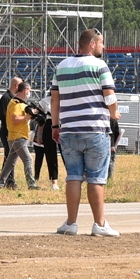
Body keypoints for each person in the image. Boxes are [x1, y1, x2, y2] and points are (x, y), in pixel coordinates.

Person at [51, 26, 119, 237]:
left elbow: (55, 99)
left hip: (69, 129)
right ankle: (99, 224)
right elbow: (109, 95)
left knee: (73, 176)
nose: (103, 46)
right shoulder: (100, 65)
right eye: (101, 43)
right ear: (92, 44)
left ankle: (71, 223)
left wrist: (55, 125)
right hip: (95, 128)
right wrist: (114, 113)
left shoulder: (61, 66)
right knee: (96, 178)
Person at [0, 79, 34, 190]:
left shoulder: (19, 103)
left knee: (10, 162)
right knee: (28, 160)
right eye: (29, 90)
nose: (29, 93)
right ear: (25, 90)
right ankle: (31, 184)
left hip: (15, 136)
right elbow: (15, 119)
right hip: (17, 136)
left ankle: (0, 183)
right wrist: (27, 117)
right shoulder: (15, 102)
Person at [0, 77, 24, 188]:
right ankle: (9, 181)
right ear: (16, 85)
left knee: (10, 157)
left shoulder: (13, 98)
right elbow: (4, 117)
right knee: (9, 157)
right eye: (20, 86)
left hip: (11, 131)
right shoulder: (6, 98)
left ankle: (4, 181)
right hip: (7, 131)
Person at [27, 94, 59, 189]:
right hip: (49, 124)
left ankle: (73, 179)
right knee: (51, 155)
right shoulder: (46, 101)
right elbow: (39, 119)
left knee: (68, 155)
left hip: (64, 123)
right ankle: (54, 181)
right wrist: (39, 135)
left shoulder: (67, 98)